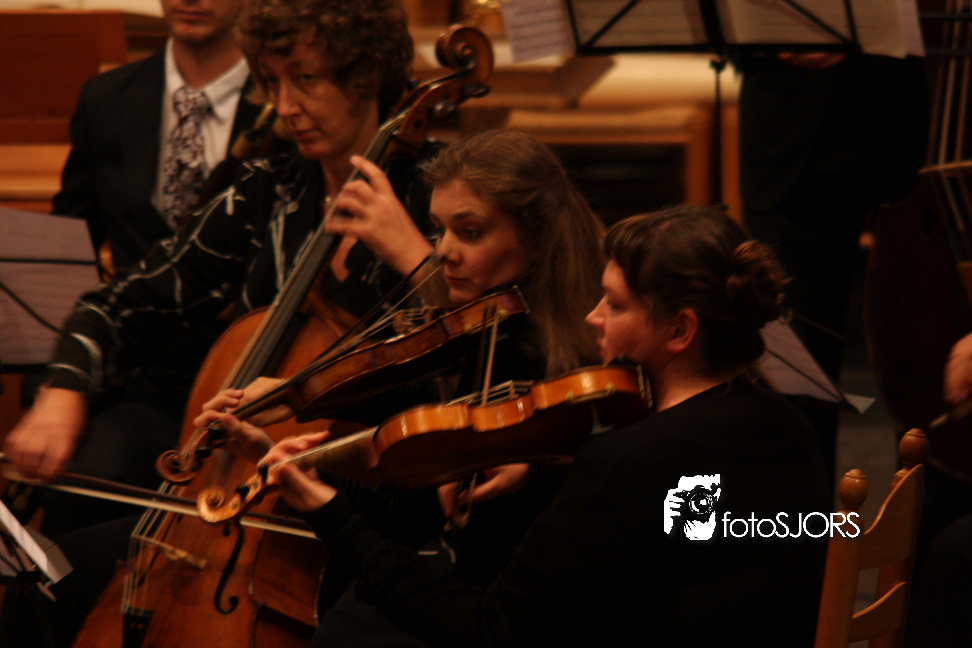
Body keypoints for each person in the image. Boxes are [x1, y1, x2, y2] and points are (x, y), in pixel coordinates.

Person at [0, 1, 426, 645]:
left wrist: (416, 259)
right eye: (272, 82)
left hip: (372, 499)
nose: (284, 107)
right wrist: (64, 390)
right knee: (50, 580)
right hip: (242, 500)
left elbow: (499, 342)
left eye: (306, 80)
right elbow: (125, 303)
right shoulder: (268, 192)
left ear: (365, 75)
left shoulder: (437, 191)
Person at [217, 205, 832, 646]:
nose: (592, 317)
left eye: (615, 304)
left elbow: (484, 630)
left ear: (680, 330)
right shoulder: (791, 428)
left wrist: (331, 513)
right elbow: (681, 538)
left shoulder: (626, 464)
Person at [200, 127, 607, 647]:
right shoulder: (489, 334)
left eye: (470, 232)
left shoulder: (570, 364)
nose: (444, 251)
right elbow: (415, 517)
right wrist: (297, 456)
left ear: (537, 237)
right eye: (439, 230)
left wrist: (540, 465)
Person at [1, 0, 259, 536]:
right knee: (79, 485)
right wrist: (62, 380)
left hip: (243, 375)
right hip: (138, 373)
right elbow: (68, 244)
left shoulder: (284, 102)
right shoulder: (108, 97)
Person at [736, 50, 929, 485]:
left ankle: (929, 525)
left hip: (926, 100)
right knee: (792, 362)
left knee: (928, 352)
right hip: (790, 117)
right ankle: (796, 522)